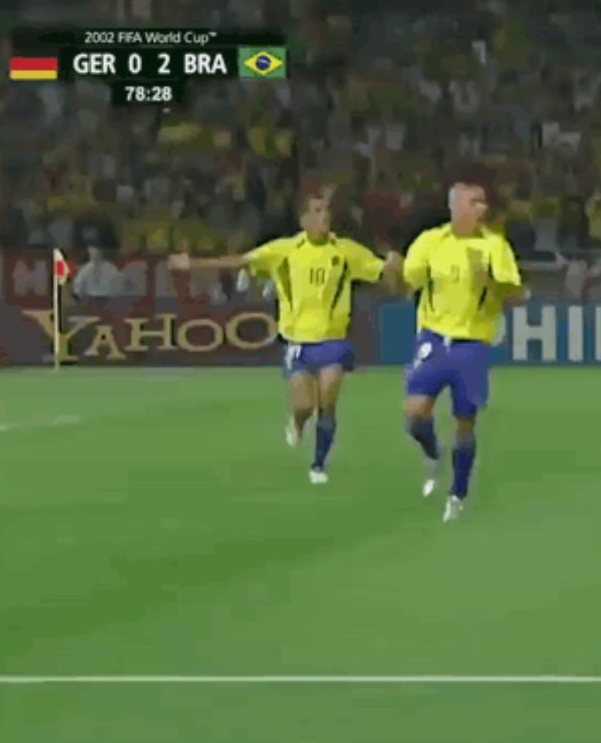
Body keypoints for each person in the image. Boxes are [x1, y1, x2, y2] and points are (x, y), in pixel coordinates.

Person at [169, 185, 403, 484]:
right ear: (303, 220)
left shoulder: (345, 251)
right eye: (316, 212)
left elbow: (385, 277)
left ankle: (318, 465)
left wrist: (393, 267)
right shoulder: (284, 250)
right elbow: (241, 261)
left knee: (327, 404)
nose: (324, 217)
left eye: (326, 211)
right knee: (305, 406)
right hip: (297, 341)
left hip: (333, 340)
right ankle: (297, 422)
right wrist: (195, 265)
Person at [401, 179, 525, 522]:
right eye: (474, 202)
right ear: (455, 208)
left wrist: (489, 282)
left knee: (464, 424)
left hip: (472, 343)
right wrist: (394, 272)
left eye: (483, 202)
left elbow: (514, 293)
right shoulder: (430, 241)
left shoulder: (495, 246)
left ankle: (457, 492)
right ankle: (431, 452)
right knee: (414, 415)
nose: (482, 208)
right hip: (433, 338)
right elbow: (406, 283)